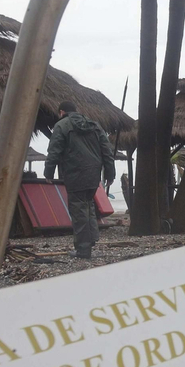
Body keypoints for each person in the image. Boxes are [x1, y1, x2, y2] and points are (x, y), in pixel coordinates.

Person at [45, 100, 114, 259]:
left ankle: (83, 250)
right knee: (88, 206)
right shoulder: (95, 125)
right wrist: (110, 174)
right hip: (93, 174)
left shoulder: (61, 125)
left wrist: (49, 173)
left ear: (61, 112)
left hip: (75, 173)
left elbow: (54, 151)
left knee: (79, 211)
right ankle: (91, 241)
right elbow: (106, 151)